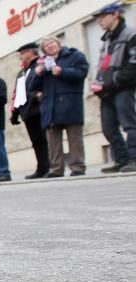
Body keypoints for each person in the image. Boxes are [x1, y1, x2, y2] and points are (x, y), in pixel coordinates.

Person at [31, 36, 90, 177]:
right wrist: (38, 74)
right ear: (44, 50)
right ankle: (56, 169)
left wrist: (63, 71)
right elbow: (32, 87)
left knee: (74, 138)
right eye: (46, 45)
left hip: (70, 103)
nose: (50, 46)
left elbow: (82, 72)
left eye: (52, 42)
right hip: (50, 106)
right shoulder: (43, 63)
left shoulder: (74, 55)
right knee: (53, 141)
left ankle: (77, 167)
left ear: (58, 43)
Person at [92, 2, 136, 173]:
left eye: (103, 17)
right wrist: (98, 82)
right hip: (107, 90)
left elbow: (134, 64)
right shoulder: (107, 39)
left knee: (129, 124)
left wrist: (115, 80)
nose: (100, 22)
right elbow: (103, 64)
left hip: (123, 87)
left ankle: (134, 159)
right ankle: (122, 160)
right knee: (108, 127)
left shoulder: (130, 34)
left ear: (115, 14)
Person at [11, 42, 50, 179]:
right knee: (36, 141)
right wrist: (15, 113)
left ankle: (48, 166)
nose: (21, 57)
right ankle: (42, 167)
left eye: (22, 53)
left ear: (31, 52)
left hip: (39, 109)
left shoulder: (39, 65)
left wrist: (35, 95)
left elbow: (41, 86)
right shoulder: (22, 73)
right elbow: (18, 93)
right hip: (27, 112)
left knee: (44, 139)